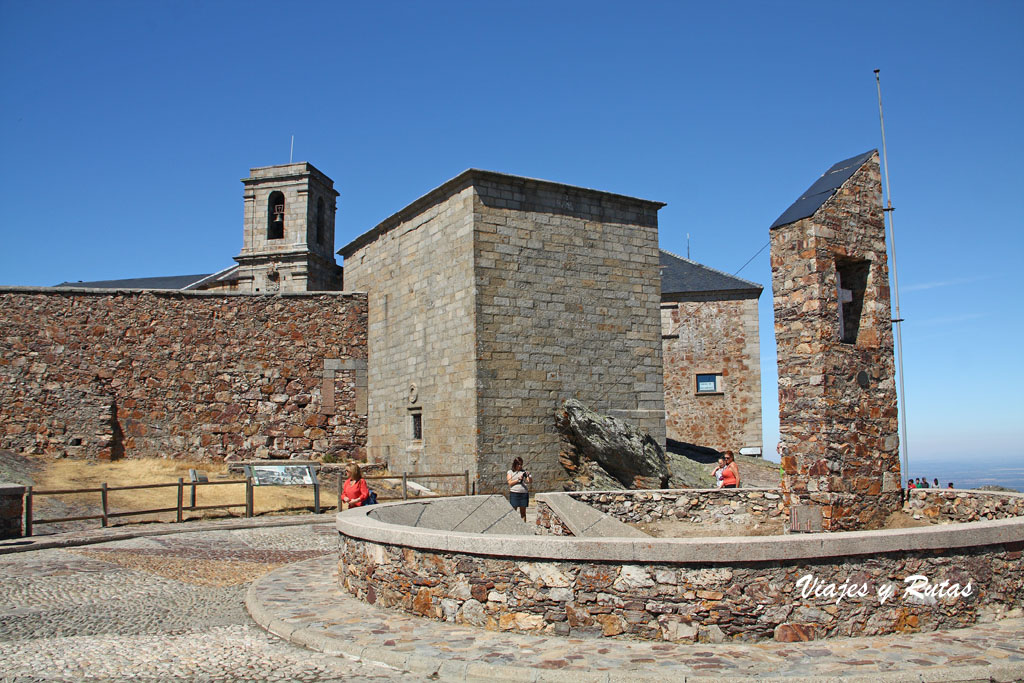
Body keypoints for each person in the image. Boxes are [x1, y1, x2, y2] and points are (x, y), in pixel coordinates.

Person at [507, 456, 532, 521]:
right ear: (515, 464)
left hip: (523, 493)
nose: (520, 466)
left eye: (521, 464)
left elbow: (529, 481)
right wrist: (518, 480)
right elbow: (510, 482)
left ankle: (524, 526)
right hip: (514, 493)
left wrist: (529, 475)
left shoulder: (524, 472)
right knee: (513, 511)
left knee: (523, 512)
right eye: (518, 464)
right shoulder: (510, 472)